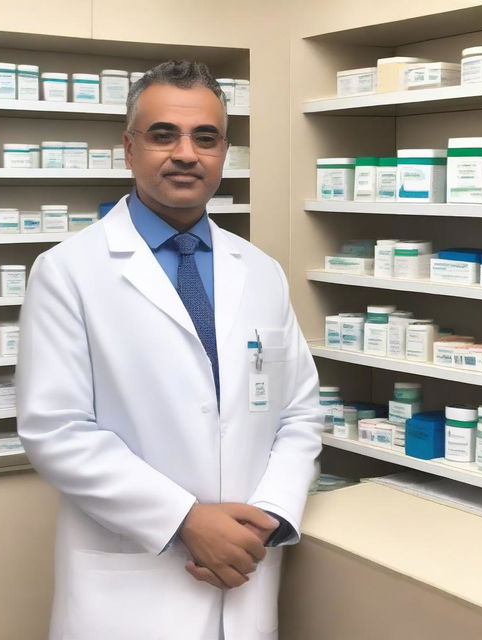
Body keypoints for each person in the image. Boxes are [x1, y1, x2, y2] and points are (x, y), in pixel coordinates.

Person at [16, 59, 322, 640]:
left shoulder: (260, 271)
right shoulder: (67, 272)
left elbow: (299, 412)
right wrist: (185, 519)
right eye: (164, 134)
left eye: (205, 137)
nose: (186, 153)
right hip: (134, 581)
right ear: (129, 149)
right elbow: (55, 428)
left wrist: (270, 517)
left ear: (224, 152)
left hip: (248, 568)